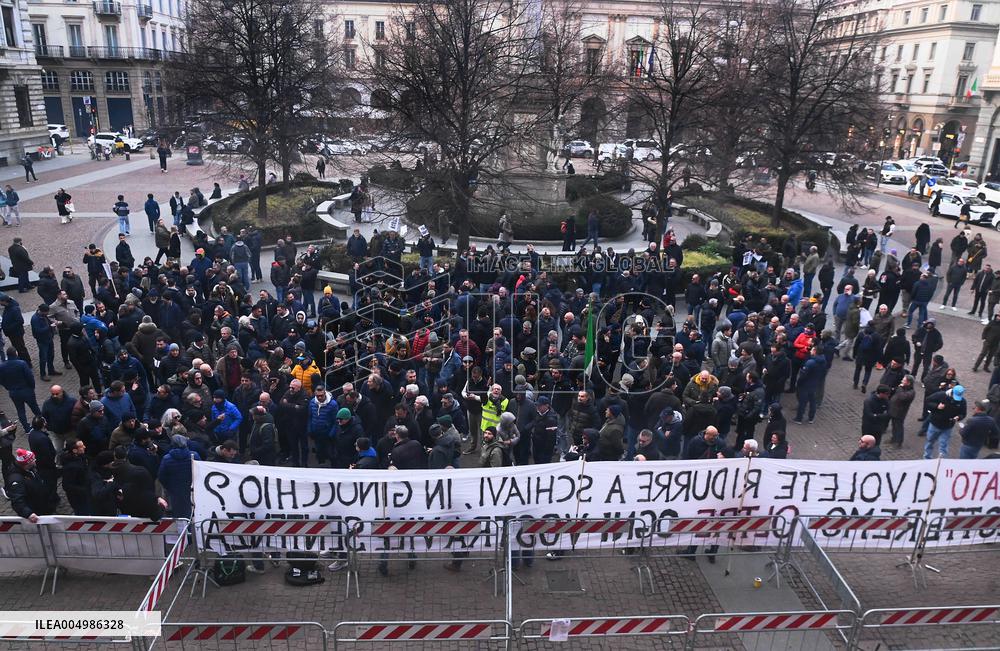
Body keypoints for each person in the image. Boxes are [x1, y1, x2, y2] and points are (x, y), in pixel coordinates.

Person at [923, 384, 967, 459]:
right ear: (952, 392)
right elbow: (928, 401)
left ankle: (942, 462)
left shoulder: (962, 401)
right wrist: (937, 406)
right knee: (930, 442)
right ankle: (927, 458)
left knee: (943, 445)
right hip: (935, 424)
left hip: (948, 427)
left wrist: (958, 417)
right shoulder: (941, 395)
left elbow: (963, 413)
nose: (956, 399)